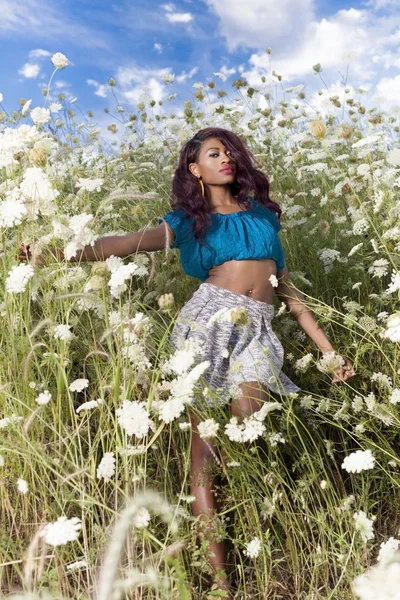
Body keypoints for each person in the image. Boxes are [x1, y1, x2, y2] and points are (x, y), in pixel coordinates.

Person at [19, 126, 355, 596]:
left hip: (257, 326)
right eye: (213, 154)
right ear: (195, 170)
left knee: (247, 414)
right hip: (206, 324)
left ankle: (240, 507)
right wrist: (54, 255)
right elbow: (123, 243)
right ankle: (219, 578)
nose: (225, 159)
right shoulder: (188, 222)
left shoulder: (263, 217)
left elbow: (289, 291)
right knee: (204, 451)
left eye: (229, 152)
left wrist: (327, 350)